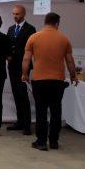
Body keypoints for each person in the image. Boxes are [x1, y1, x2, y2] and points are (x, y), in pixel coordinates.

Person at [22, 12, 77, 151]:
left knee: (41, 111)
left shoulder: (33, 37)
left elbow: (26, 59)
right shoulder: (64, 39)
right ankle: (53, 141)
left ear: (45, 22)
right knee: (56, 110)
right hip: (57, 80)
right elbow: (70, 60)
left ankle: (41, 142)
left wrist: (24, 74)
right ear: (57, 23)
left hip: (39, 80)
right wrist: (73, 76)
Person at [7, 5, 36, 135]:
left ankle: (26, 124)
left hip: (23, 67)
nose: (15, 16)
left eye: (17, 14)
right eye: (13, 14)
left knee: (23, 95)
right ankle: (19, 121)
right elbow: (8, 45)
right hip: (12, 66)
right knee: (16, 94)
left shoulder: (30, 29)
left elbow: (31, 49)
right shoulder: (11, 29)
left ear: (23, 14)